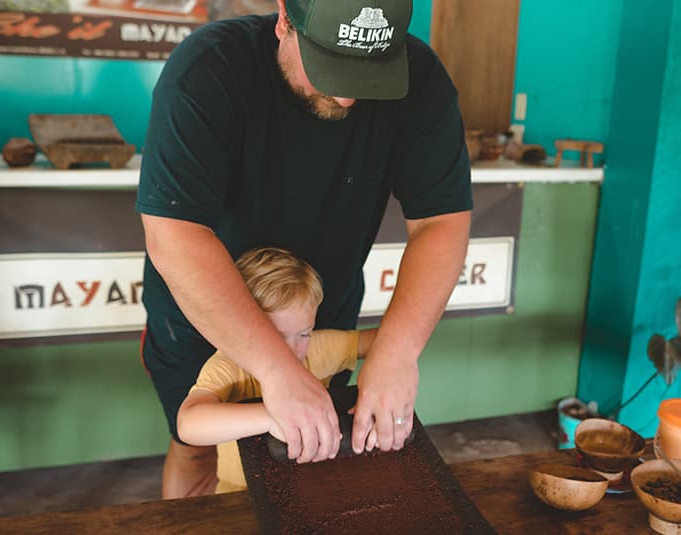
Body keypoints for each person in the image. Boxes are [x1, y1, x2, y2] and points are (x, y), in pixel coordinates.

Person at [136, 0, 472, 499]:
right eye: (329, 67)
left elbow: (440, 222)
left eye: (367, 76)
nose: (345, 95)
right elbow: (175, 233)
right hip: (204, 309)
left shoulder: (420, 81)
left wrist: (398, 352)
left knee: (302, 455)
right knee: (196, 449)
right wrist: (275, 370)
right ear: (284, 20)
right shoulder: (210, 69)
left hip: (318, 314)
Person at [177, 247, 377, 493]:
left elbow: (385, 341)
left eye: (304, 333)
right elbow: (188, 424)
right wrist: (272, 418)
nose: (293, 349)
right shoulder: (228, 366)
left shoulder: (317, 348)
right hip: (243, 494)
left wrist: (386, 371)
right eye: (276, 336)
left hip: (312, 486)